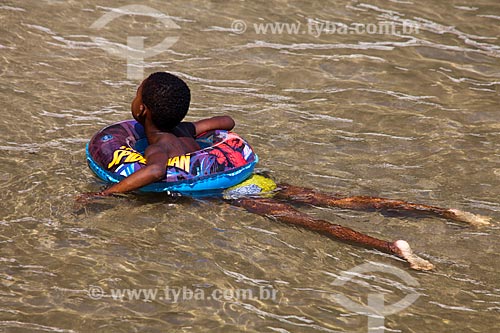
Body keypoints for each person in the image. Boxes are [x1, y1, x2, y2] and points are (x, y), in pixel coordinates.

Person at [81, 71, 490, 271]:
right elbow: (226, 122)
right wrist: (196, 126)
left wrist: (104, 196)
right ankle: (444, 213)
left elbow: (153, 173)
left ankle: (391, 248)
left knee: (313, 223)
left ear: (142, 110)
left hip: (234, 193)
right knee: (332, 200)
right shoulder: (186, 130)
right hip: (253, 177)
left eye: (136, 94)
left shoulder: (160, 147)